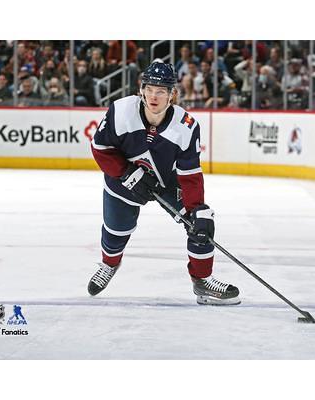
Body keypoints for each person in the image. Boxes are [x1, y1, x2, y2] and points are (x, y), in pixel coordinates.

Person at [88, 61, 240, 305]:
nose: (153, 96)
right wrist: (126, 173)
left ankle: (202, 281)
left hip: (167, 182)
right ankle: (109, 264)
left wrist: (196, 208)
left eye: (161, 91)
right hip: (123, 179)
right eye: (149, 89)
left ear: (172, 95)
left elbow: (190, 174)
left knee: (201, 222)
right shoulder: (121, 111)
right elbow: (100, 148)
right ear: (141, 89)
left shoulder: (186, 126)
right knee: (116, 232)